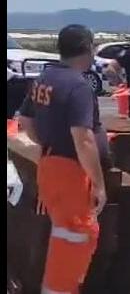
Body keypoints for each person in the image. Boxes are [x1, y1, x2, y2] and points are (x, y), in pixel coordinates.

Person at [18, 24, 107, 293]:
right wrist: (99, 183)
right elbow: (83, 138)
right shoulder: (77, 85)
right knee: (75, 238)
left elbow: (26, 121)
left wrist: (48, 143)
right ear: (87, 47)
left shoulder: (45, 78)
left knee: (69, 236)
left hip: (49, 166)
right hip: (70, 172)